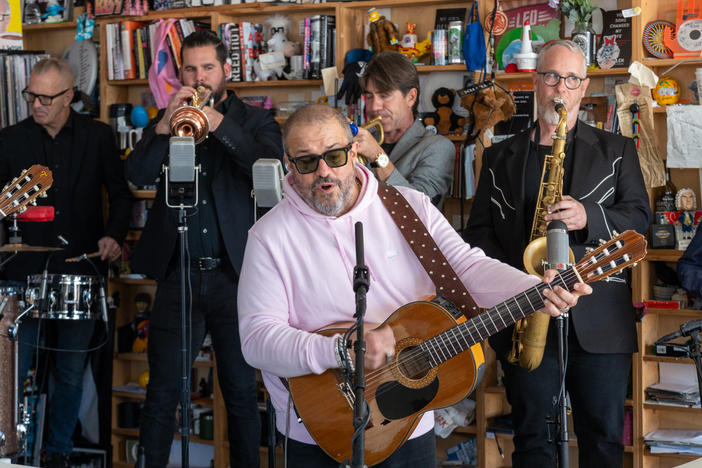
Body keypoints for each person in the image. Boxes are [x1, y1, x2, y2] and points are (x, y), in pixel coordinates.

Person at [237, 103, 591, 467]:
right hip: (317, 430)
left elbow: (467, 268)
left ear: (355, 151)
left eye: (335, 155)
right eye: (307, 162)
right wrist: (341, 350)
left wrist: (536, 288)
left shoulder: (408, 208)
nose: (324, 172)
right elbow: (257, 340)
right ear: (288, 163)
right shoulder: (269, 236)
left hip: (408, 421)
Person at [465, 40, 652, 467]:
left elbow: (639, 219)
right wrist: (517, 279)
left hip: (600, 322)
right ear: (536, 81)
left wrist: (589, 216)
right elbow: (478, 234)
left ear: (583, 88)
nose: (560, 89)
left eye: (571, 80)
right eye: (551, 76)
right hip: (525, 313)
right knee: (532, 439)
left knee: (603, 439)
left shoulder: (617, 151)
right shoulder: (497, 157)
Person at [126, 29, 283, 468]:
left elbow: (268, 168)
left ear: (226, 71)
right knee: (161, 393)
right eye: (190, 70)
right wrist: (161, 128)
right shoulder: (168, 118)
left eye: (207, 68)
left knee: (238, 391)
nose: (199, 77)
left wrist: (217, 124)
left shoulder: (254, 122)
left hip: (237, 277)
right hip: (180, 274)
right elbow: (136, 175)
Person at [0, 57, 132, 467]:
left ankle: (56, 453)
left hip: (79, 271)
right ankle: (16, 453)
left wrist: (113, 235)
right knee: (21, 374)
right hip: (22, 277)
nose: (36, 104)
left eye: (46, 97)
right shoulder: (9, 141)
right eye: (30, 96)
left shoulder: (97, 137)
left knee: (72, 374)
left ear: (70, 96)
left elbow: (122, 197)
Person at [353, 51, 455, 206]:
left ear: (411, 97)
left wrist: (376, 155)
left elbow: (420, 208)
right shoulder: (361, 140)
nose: (374, 107)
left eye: (385, 95)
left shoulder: (438, 147)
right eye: (369, 96)